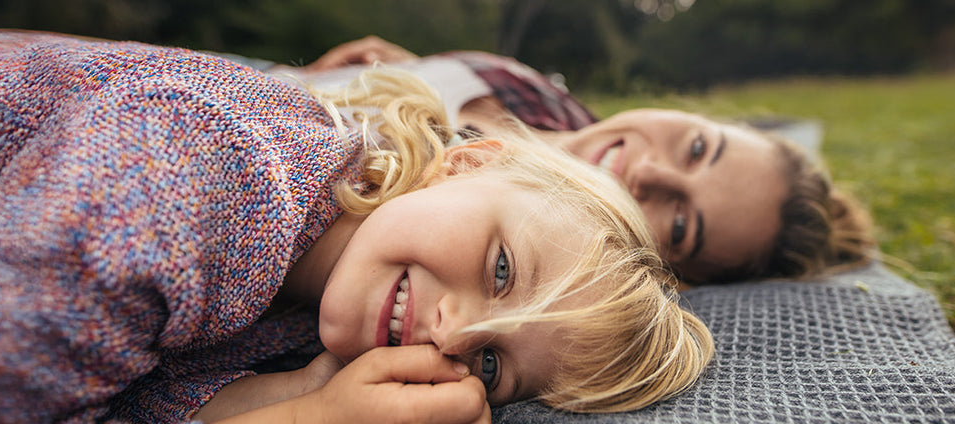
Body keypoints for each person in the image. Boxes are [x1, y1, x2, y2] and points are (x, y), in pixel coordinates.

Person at [0, 31, 713, 424]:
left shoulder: (324, 297)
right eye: (501, 270)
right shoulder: (189, 165)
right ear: (467, 162)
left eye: (491, 366)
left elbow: (129, 399)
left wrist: (305, 390)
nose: (454, 336)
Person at [264, 36, 877, 285]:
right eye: (696, 147)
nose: (653, 174)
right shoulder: (531, 90)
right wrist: (378, 69)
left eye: (683, 225)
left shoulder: (464, 242)